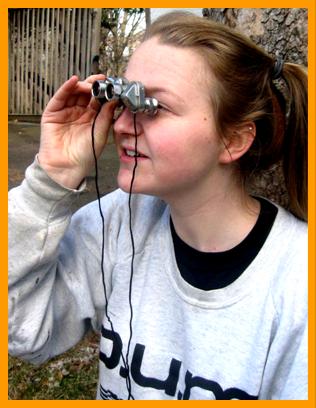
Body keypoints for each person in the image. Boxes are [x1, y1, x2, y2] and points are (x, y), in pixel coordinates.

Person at [9, 12, 308, 400]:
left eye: (151, 105)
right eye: (123, 99)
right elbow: (22, 330)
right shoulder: (118, 222)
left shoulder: (297, 283)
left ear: (233, 139)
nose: (120, 124)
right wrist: (51, 180)